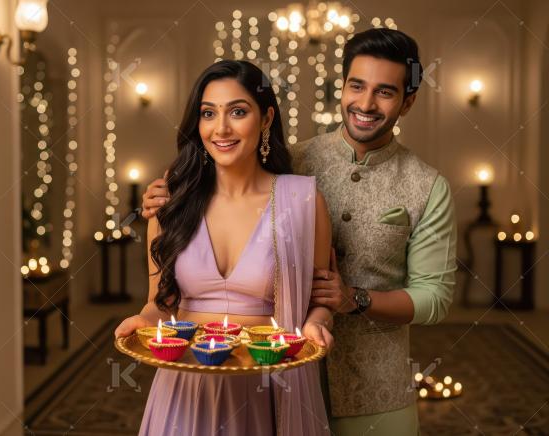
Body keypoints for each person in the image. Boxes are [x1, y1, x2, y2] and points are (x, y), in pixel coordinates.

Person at [140, 28, 457, 435]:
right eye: (356, 86)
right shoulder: (296, 162)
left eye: (384, 92)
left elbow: (434, 298)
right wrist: (169, 194)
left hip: (372, 389)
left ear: (407, 101)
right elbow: (226, 180)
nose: (365, 103)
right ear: (341, 87)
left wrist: (352, 299)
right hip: (276, 373)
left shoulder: (427, 186)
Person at [114, 60, 334, 435]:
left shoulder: (302, 199)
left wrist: (316, 324)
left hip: (268, 389)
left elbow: (322, 298)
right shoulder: (171, 203)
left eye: (237, 111)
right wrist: (143, 321)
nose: (221, 128)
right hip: (184, 388)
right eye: (208, 113)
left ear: (265, 119)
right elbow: (159, 304)